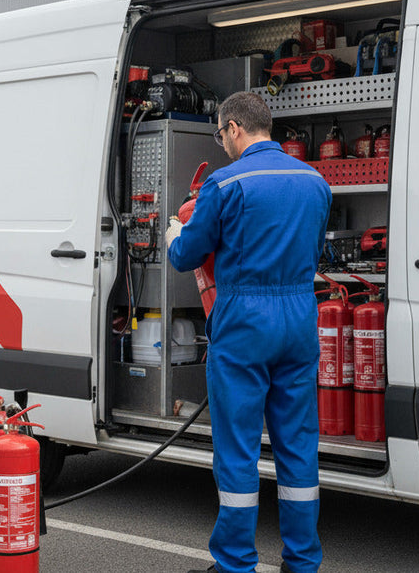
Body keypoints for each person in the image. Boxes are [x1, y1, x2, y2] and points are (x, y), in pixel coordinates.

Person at [166, 91, 332, 573]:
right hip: (299, 319)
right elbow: (314, 251)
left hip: (243, 323)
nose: (222, 144)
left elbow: (187, 256)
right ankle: (302, 561)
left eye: (220, 134)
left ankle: (235, 563)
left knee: (238, 448)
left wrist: (176, 232)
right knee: (298, 446)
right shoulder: (316, 183)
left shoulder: (224, 183)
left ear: (235, 127)